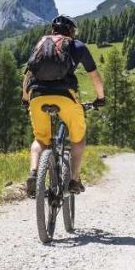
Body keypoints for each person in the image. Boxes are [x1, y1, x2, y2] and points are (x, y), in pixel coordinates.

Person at [22, 15, 105, 198]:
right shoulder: (78, 46)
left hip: (37, 96)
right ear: (71, 32)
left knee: (41, 140)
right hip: (65, 97)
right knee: (78, 139)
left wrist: (26, 99)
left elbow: (28, 75)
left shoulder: (41, 45)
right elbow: (94, 76)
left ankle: (34, 173)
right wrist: (100, 97)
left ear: (53, 31)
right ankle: (74, 180)